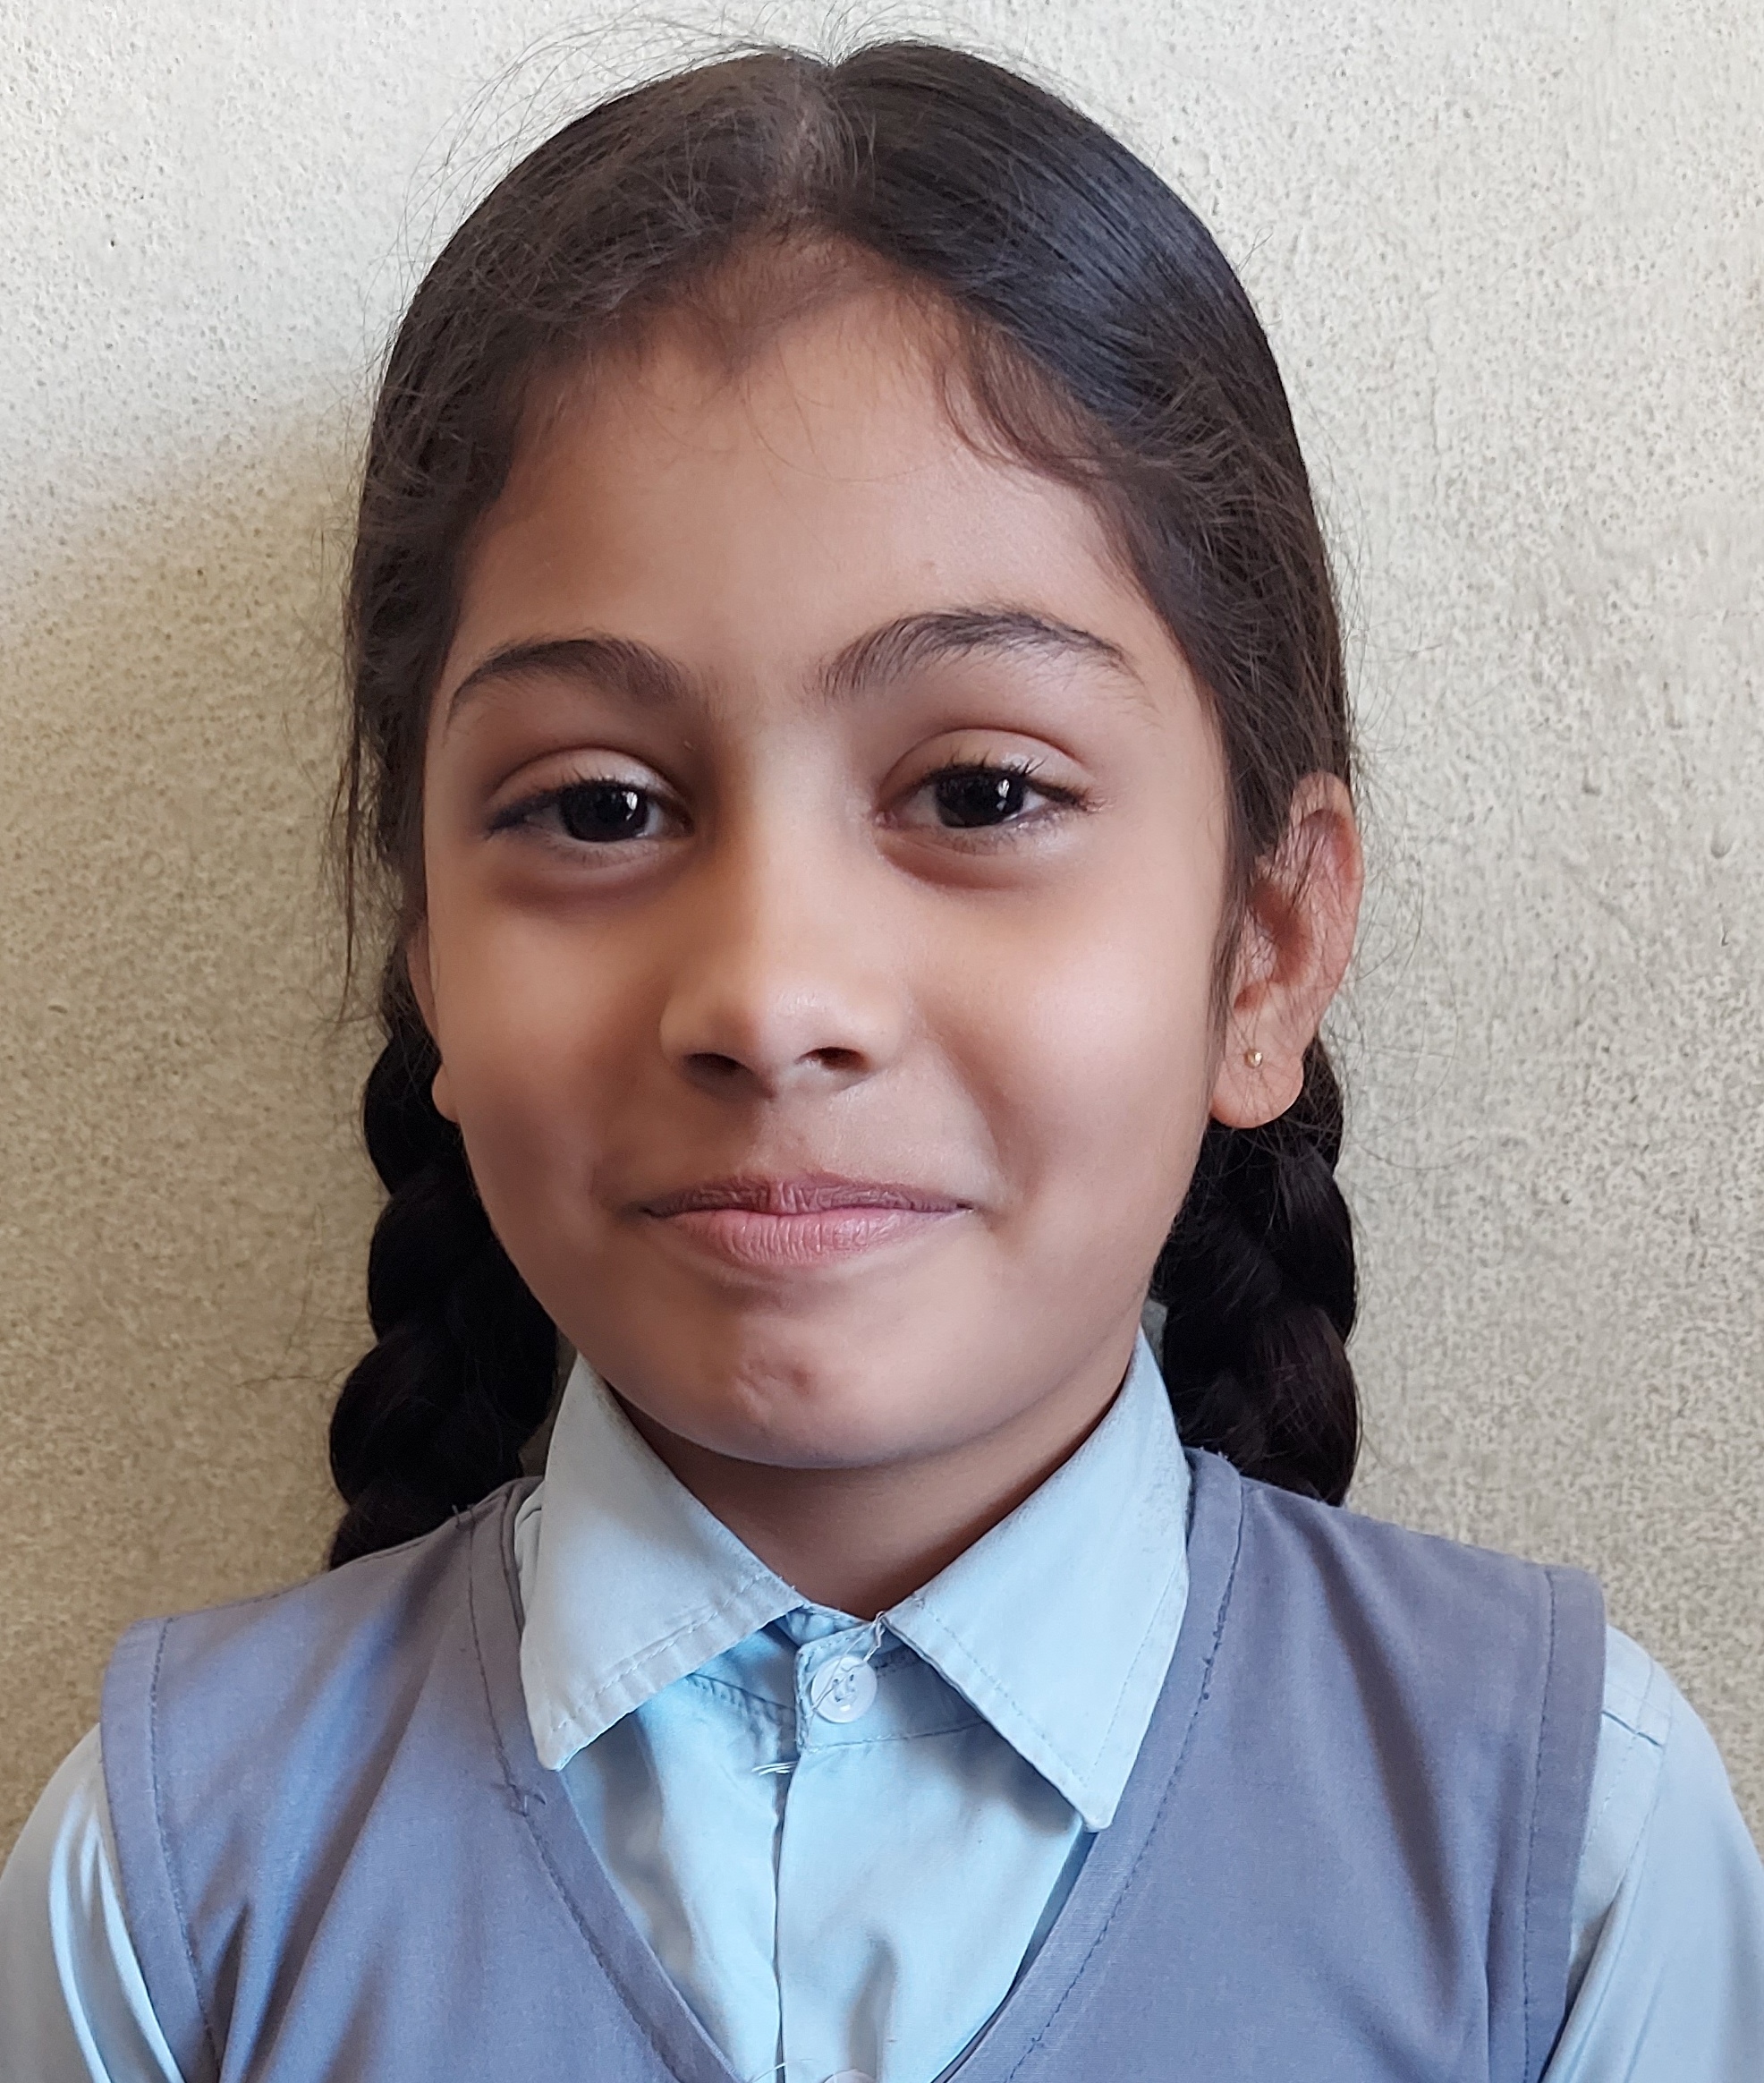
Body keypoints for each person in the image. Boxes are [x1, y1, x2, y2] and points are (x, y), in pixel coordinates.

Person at [1, 39, 1760, 2083]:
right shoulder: (170, 1898)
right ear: (430, 960)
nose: (770, 997)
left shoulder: (1569, 1860)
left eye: (982, 791)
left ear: (1265, 946)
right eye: (598, 808)